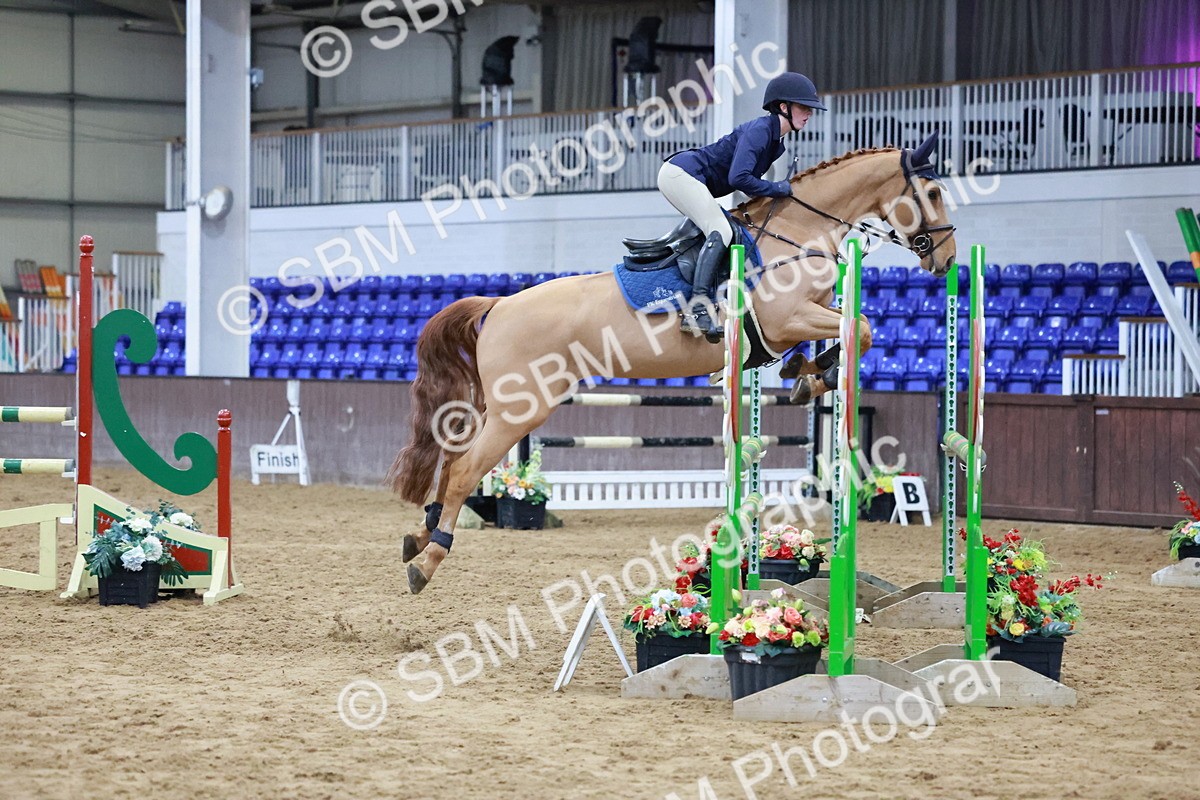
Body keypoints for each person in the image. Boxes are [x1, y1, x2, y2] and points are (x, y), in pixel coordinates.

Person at [657, 72, 826, 341]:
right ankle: (697, 310)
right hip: (681, 173)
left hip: (690, 178)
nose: (809, 114)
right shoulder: (761, 130)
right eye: (804, 108)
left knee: (726, 229)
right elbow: (739, 178)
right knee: (721, 231)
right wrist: (777, 188)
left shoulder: (775, 140)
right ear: (784, 107)